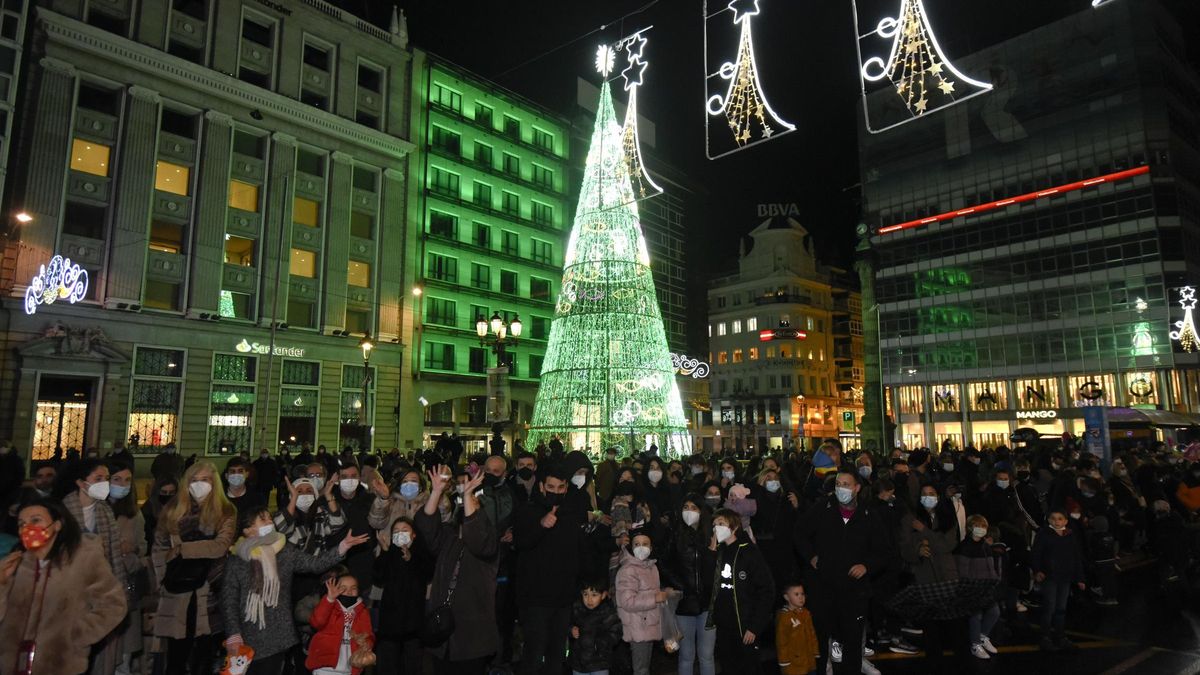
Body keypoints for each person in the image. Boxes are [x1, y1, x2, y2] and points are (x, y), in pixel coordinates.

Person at [221, 507, 367, 675]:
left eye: (270, 518)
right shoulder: (236, 560)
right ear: (247, 530)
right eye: (263, 519)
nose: (270, 522)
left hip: (278, 634)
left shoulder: (284, 551)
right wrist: (233, 633)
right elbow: (228, 600)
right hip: (247, 635)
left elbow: (315, 564)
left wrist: (342, 547)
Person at [0, 499, 128, 675]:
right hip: (14, 664)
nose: (27, 527)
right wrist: (2, 582)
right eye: (22, 523)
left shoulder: (83, 558)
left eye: (36, 520)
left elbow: (114, 605)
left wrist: (75, 636)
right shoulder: (16, 562)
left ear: (57, 524)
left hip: (60, 664)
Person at [795, 470, 889, 675]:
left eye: (846, 484)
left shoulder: (868, 514)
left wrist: (867, 566)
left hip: (855, 590)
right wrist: (811, 557)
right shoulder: (823, 508)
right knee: (820, 637)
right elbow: (800, 533)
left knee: (852, 641)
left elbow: (883, 550)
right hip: (823, 586)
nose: (841, 488)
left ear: (856, 488)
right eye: (838, 483)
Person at [152, 460, 237, 675]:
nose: (199, 484)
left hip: (210, 593)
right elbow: (159, 549)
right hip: (176, 592)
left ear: (214, 482)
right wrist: (162, 580)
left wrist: (182, 549)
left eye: (205, 480)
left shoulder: (226, 510)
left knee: (204, 658)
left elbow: (219, 546)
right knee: (176, 658)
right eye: (194, 480)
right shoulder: (173, 509)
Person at [418, 467, 498, 672]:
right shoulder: (449, 539)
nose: (469, 512)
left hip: (472, 639)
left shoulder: (488, 545)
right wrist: (436, 491)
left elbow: (476, 537)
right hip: (442, 635)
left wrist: (468, 494)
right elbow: (427, 528)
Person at [515, 467, 588, 675]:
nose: (555, 491)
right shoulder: (527, 511)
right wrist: (541, 525)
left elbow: (578, 555)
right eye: (550, 487)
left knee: (557, 655)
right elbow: (520, 543)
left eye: (560, 487)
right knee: (534, 655)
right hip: (535, 600)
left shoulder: (571, 517)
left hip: (563, 599)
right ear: (541, 486)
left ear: (565, 489)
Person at [61, 458, 128, 675]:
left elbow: (114, 553)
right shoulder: (63, 511)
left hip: (99, 592)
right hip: (70, 594)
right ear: (81, 483)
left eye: (106, 479)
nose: (105, 483)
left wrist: (119, 589)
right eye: (98, 479)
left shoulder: (105, 511)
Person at [707, 508, 775, 675]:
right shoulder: (718, 552)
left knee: (748, 667)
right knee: (728, 667)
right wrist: (710, 554)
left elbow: (766, 590)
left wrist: (755, 626)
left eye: (721, 523)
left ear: (734, 526)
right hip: (724, 625)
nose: (717, 528)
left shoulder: (749, 551)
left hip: (745, 625)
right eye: (714, 525)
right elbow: (708, 584)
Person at [374, 517, 433, 675]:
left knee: (412, 665)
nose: (400, 534)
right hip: (390, 622)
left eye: (405, 530)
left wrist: (410, 558)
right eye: (396, 531)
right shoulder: (389, 552)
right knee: (388, 665)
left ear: (414, 534)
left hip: (413, 622)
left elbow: (427, 573)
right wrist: (384, 551)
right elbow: (379, 578)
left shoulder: (422, 552)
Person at [665, 497, 715, 675]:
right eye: (685, 507)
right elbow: (665, 565)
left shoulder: (711, 534)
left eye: (694, 507)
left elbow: (715, 568)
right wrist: (681, 586)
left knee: (707, 655)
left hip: (708, 603)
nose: (689, 510)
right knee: (686, 655)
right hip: (684, 603)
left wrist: (711, 552)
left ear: (701, 511)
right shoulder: (674, 534)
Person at [109, 460, 147, 675]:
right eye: (117, 480)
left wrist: (130, 550)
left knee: (123, 658)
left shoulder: (135, 514)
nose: (122, 485)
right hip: (100, 589)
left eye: (127, 480)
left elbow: (143, 548)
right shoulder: (97, 511)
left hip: (126, 589)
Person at [1031, 510, 1086, 652]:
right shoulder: (1043, 534)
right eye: (1053, 518)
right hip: (1050, 577)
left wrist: (1080, 578)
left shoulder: (1070, 535)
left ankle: (1060, 636)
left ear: (1066, 521)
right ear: (1048, 520)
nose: (1057, 521)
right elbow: (1036, 553)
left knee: (1061, 608)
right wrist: (1037, 570)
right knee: (1049, 607)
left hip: (1065, 577)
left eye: (1060, 518)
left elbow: (1076, 557)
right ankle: (1045, 637)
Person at [615, 530, 668, 675]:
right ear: (631, 547)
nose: (641, 547)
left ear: (651, 548)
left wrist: (664, 592)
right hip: (638, 627)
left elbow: (648, 590)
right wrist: (654, 598)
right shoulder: (628, 570)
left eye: (645, 544)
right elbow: (627, 601)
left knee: (644, 668)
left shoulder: (651, 567)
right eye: (637, 544)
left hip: (647, 625)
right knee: (641, 670)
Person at [306, 573, 375, 675]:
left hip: (350, 667)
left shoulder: (362, 611)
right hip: (325, 667)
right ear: (336, 589)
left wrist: (367, 643)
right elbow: (317, 622)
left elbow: (368, 634)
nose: (349, 591)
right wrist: (329, 599)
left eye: (353, 588)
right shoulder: (330, 606)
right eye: (343, 588)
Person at [955, 515, 1001, 660]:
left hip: (986, 588)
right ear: (970, 528)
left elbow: (991, 566)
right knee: (976, 616)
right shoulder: (964, 547)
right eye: (978, 526)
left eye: (983, 527)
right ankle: (975, 644)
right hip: (972, 588)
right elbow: (963, 571)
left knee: (994, 611)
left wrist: (994, 581)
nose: (981, 530)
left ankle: (982, 636)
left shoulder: (985, 546)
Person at [332, 462, 376, 586]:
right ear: (338, 479)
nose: (349, 480)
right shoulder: (330, 500)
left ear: (359, 478)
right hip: (336, 561)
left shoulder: (369, 499)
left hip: (364, 559)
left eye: (353, 476)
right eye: (344, 477)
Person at [570, 577, 623, 675]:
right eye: (585, 594)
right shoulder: (577, 609)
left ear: (603, 595)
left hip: (600, 663)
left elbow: (616, 630)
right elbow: (567, 624)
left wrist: (601, 643)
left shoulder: (606, 611)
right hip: (579, 664)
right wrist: (571, 630)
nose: (589, 599)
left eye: (594, 595)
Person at [776, 581, 819, 675]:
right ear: (786, 597)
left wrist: (815, 650)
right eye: (796, 594)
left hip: (808, 660)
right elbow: (781, 641)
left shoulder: (806, 613)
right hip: (794, 664)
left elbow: (812, 633)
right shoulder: (784, 617)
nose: (801, 597)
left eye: (802, 594)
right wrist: (784, 661)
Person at [141, 476, 178, 551]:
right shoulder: (147, 511)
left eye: (171, 492)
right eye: (164, 492)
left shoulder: (180, 509)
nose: (167, 495)